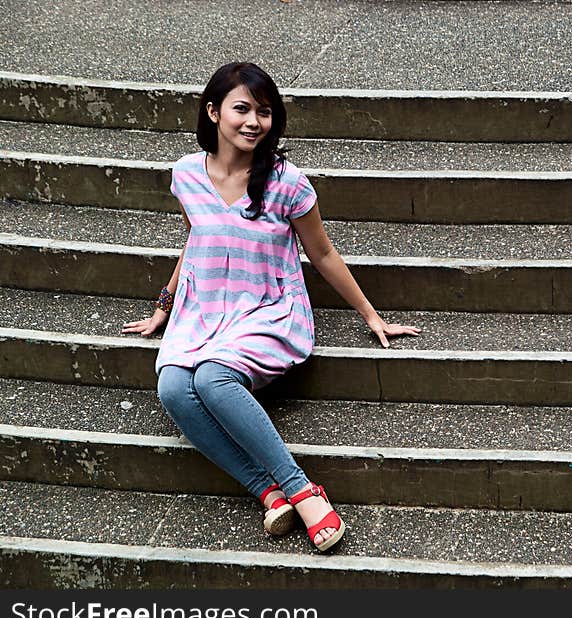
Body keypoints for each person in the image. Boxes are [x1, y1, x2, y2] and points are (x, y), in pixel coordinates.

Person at [122, 62, 420, 552]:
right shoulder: (186, 175)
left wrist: (371, 315)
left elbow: (321, 252)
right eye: (241, 109)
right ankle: (266, 490)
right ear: (213, 112)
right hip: (203, 308)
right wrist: (164, 305)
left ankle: (301, 488)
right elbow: (198, 238)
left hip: (267, 307)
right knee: (174, 386)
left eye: (264, 112)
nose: (253, 121)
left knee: (212, 378)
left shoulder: (287, 182)